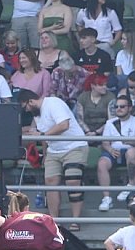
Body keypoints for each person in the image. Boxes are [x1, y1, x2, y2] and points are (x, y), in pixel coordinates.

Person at [19, 89, 89, 224]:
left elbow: (64, 125)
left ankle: (76, 220)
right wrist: (45, 154)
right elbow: (43, 136)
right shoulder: (37, 114)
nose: (26, 110)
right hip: (53, 150)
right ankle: (54, 221)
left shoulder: (53, 103)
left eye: (25, 107)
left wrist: (42, 135)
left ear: (30, 101)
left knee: (73, 181)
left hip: (74, 146)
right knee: (50, 182)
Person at [97, 91, 135, 209]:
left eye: (122, 106)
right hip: (113, 151)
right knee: (102, 163)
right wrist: (110, 150)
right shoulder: (110, 123)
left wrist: (125, 141)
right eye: (117, 107)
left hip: (131, 150)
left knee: (131, 152)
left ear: (130, 108)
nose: (119, 109)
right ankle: (106, 198)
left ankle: (131, 184)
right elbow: (105, 142)